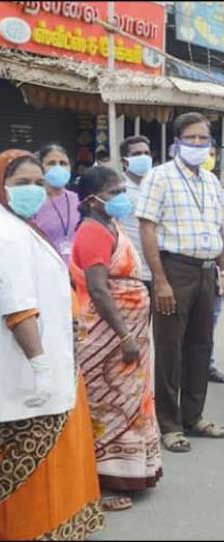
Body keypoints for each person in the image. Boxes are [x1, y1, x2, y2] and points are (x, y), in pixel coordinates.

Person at [0, 150, 104, 539]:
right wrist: (40, 366)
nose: (32, 190)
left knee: (59, 458)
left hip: (54, 363)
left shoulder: (21, 226)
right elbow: (19, 308)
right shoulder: (7, 234)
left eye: (37, 183)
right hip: (31, 370)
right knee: (32, 469)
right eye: (20, 183)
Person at [136, 111, 224, 453]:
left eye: (202, 139)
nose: (196, 144)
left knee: (200, 346)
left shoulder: (211, 181)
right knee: (170, 348)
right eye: (190, 138)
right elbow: (147, 228)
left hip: (206, 270)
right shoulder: (159, 177)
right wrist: (159, 280)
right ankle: (169, 424)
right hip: (174, 269)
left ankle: (194, 417)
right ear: (177, 142)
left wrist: (222, 267)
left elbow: (220, 225)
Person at [70, 166, 163, 511]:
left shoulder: (112, 225)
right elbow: (97, 287)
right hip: (108, 334)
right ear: (93, 200)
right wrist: (124, 334)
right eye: (114, 192)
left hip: (128, 329)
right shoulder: (92, 232)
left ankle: (131, 470)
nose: (121, 197)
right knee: (106, 405)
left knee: (130, 401)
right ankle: (102, 481)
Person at [202, 143, 224, 384]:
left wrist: (223, 269)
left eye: (211, 154)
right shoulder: (164, 180)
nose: (207, 157)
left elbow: (222, 229)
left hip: (212, 267)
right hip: (184, 267)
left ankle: (207, 365)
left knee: (210, 320)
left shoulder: (214, 185)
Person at [32, 143, 79, 263]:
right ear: (40, 167)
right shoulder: (32, 201)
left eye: (63, 163)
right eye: (51, 163)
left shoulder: (77, 200)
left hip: (75, 272)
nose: (58, 168)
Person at [119, 136, 154, 293]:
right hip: (129, 268)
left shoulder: (157, 185)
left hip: (157, 267)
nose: (143, 157)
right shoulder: (117, 189)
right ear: (125, 161)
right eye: (137, 154)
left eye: (146, 153)